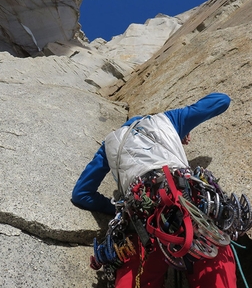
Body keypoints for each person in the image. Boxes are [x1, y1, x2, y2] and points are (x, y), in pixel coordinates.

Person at [72, 92, 236, 288]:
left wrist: (115, 210)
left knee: (136, 275)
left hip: (141, 216)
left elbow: (81, 194)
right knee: (215, 265)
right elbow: (222, 100)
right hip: (189, 202)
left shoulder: (109, 144)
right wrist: (178, 129)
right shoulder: (167, 120)